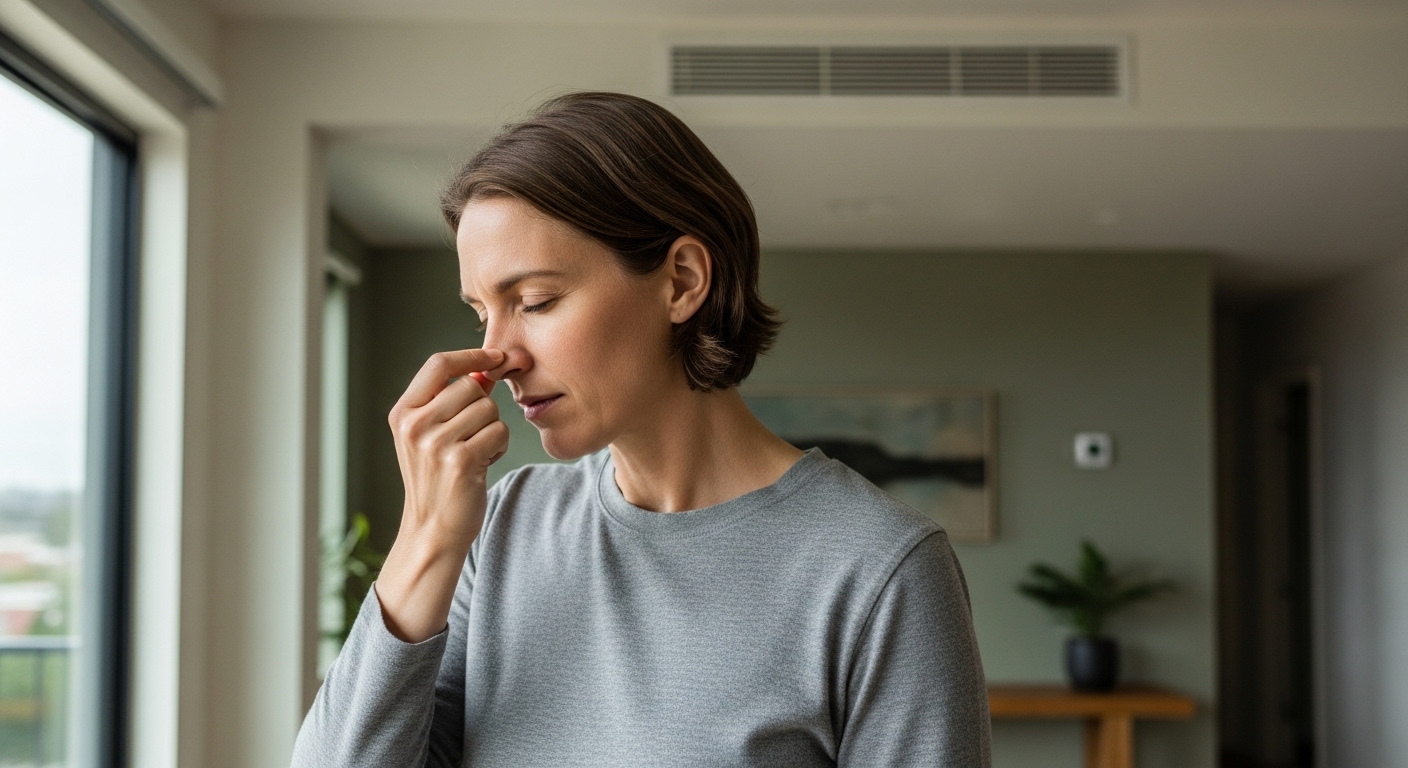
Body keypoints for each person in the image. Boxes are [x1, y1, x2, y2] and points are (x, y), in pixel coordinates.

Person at [291, 92, 991, 767]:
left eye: (534, 301)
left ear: (683, 280)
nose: (501, 356)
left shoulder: (878, 568)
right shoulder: (502, 530)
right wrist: (425, 537)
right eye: (482, 314)